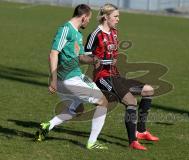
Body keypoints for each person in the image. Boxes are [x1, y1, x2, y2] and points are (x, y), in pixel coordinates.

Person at [85, 4, 159, 151]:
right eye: (116, 16)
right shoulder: (96, 34)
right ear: (106, 17)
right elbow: (85, 57)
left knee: (148, 90)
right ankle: (133, 141)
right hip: (103, 78)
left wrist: (113, 60)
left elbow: (113, 55)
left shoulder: (114, 32)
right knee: (130, 101)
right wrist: (101, 61)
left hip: (116, 76)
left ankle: (141, 131)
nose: (118, 19)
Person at [35, 4, 108, 150]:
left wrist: (93, 59)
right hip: (68, 79)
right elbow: (53, 53)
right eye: (89, 19)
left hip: (73, 78)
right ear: (84, 17)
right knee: (103, 102)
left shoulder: (77, 34)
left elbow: (80, 57)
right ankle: (92, 142)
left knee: (77, 109)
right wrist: (53, 79)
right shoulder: (65, 29)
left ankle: (48, 125)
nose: (89, 22)